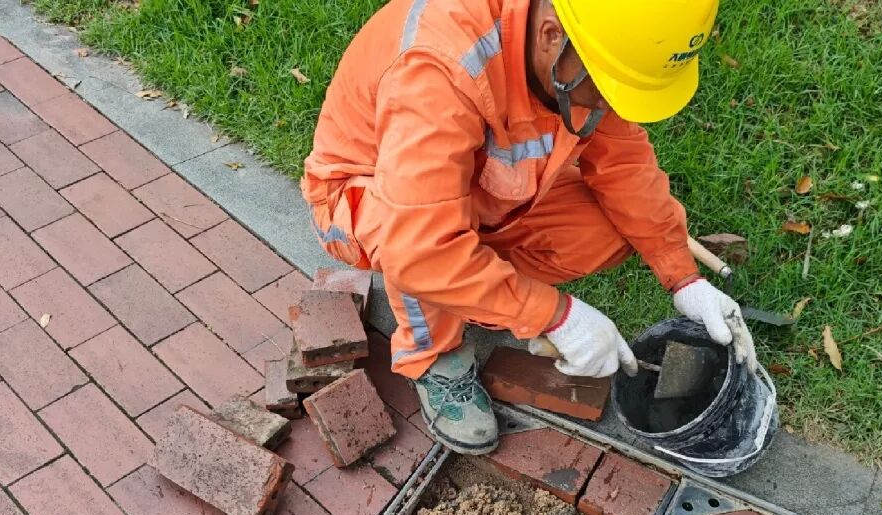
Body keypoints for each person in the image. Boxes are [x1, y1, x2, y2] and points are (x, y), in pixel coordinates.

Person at [302, 0, 757, 455]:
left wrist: (683, 276)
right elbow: (421, 246)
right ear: (550, 35)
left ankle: (475, 289)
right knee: (422, 248)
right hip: (367, 197)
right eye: (606, 89)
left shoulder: (586, 42)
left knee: (606, 231)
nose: (609, 105)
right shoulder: (440, 69)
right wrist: (554, 315)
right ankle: (434, 356)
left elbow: (625, 165)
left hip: (473, 185)